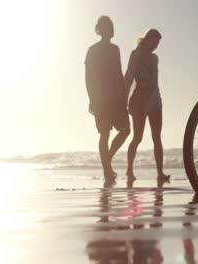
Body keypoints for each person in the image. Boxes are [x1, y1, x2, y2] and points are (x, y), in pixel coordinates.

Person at [85, 16, 130, 183]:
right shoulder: (92, 50)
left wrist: (124, 95)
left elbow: (119, 73)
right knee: (104, 134)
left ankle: (107, 159)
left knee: (125, 130)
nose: (111, 29)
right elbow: (88, 77)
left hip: (117, 97)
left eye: (111, 26)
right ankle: (107, 170)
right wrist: (92, 98)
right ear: (100, 29)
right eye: (107, 26)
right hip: (100, 98)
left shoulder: (115, 49)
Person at [124, 29, 170, 184]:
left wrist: (157, 99)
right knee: (138, 137)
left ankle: (160, 173)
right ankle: (129, 170)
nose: (156, 46)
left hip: (155, 100)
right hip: (139, 101)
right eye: (155, 42)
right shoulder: (135, 54)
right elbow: (129, 77)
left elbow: (155, 82)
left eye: (158, 43)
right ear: (148, 39)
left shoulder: (155, 58)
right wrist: (124, 100)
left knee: (157, 137)